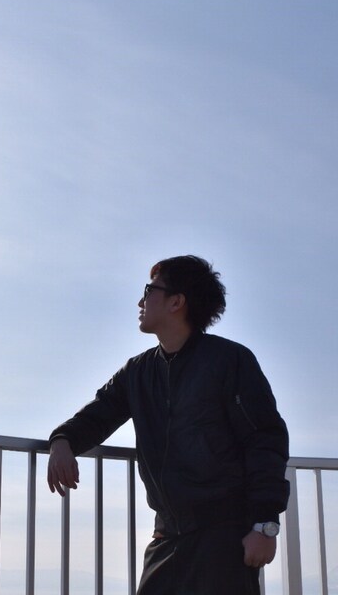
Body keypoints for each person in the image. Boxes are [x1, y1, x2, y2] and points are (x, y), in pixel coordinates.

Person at [47, 255, 289, 595]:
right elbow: (98, 415)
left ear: (177, 302)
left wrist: (265, 524)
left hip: (224, 537)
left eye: (149, 291)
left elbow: (265, 440)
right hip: (167, 536)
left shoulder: (230, 361)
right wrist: (62, 440)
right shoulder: (138, 372)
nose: (140, 302)